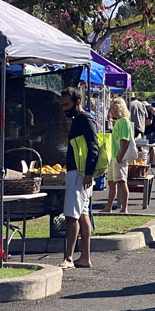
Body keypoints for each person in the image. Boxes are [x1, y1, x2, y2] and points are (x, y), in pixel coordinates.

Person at [59, 87, 98, 270]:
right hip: (80, 173)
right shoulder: (80, 119)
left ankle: (68, 257)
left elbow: (93, 146)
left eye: (67, 104)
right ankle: (84, 257)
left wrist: (89, 172)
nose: (64, 108)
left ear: (78, 102)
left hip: (79, 174)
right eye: (63, 105)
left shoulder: (84, 118)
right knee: (82, 215)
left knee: (71, 215)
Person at [103, 96, 133, 214]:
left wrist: (120, 156)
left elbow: (125, 140)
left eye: (113, 109)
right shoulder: (118, 122)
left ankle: (124, 208)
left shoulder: (124, 122)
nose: (111, 111)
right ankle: (108, 206)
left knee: (121, 182)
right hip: (113, 156)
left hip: (118, 156)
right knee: (111, 182)